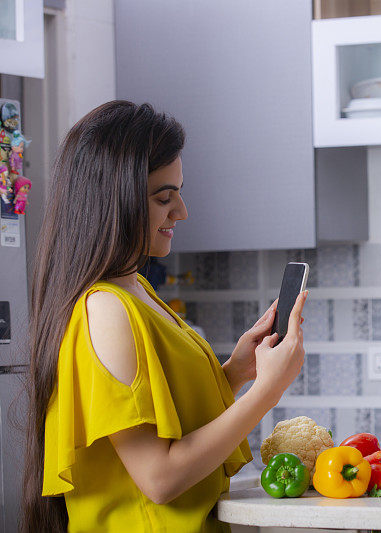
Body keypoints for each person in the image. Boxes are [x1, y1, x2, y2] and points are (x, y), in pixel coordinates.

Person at [21, 101, 307, 532]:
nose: (181, 212)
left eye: (179, 193)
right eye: (163, 198)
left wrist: (235, 373)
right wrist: (267, 391)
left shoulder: (134, 289)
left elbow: (159, 418)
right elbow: (159, 477)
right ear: (113, 200)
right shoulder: (106, 308)